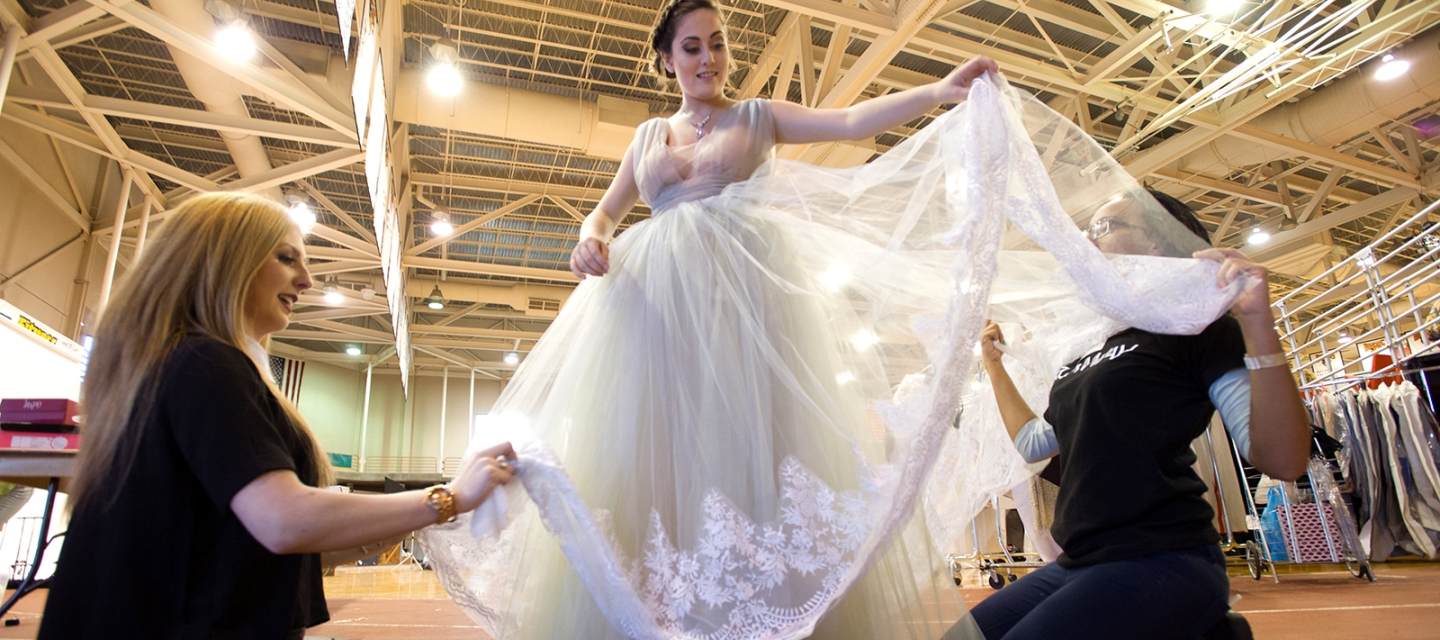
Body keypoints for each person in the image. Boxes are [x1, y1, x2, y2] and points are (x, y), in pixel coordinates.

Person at [421, 1, 1000, 638]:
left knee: (756, 445)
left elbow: (851, 119)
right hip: (656, 310)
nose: (709, 59)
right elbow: (605, 213)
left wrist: (941, 90)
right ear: (667, 60)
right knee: (654, 453)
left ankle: (762, 605)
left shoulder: (758, 117)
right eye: (692, 47)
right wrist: (588, 239)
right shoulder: (647, 136)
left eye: (718, 45)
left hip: (747, 306)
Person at [39, 192, 516, 640]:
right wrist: (447, 498)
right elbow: (285, 522)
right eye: (286, 259)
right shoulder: (206, 365)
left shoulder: (182, 365)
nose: (306, 281)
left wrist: (423, 517)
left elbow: (294, 543)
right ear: (224, 261)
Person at [946, 191, 1312, 640]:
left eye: (1105, 227)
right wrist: (994, 366)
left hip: (1163, 557)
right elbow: (1034, 443)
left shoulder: (1192, 330)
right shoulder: (1086, 347)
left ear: (1158, 244)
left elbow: (1283, 462)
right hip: (1078, 562)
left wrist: (1257, 322)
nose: (1087, 239)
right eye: (1088, 229)